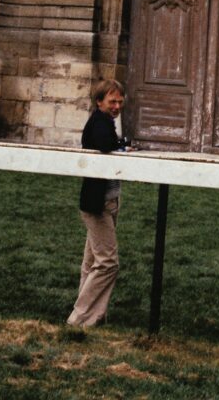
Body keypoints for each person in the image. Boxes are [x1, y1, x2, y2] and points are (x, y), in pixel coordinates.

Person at [67, 79, 129, 327]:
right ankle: (79, 318)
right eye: (112, 102)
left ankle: (94, 317)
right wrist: (122, 145)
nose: (117, 107)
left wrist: (121, 145)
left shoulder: (104, 121)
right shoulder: (100, 121)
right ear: (99, 101)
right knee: (108, 264)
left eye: (120, 102)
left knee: (92, 262)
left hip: (106, 200)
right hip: (98, 204)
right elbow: (105, 145)